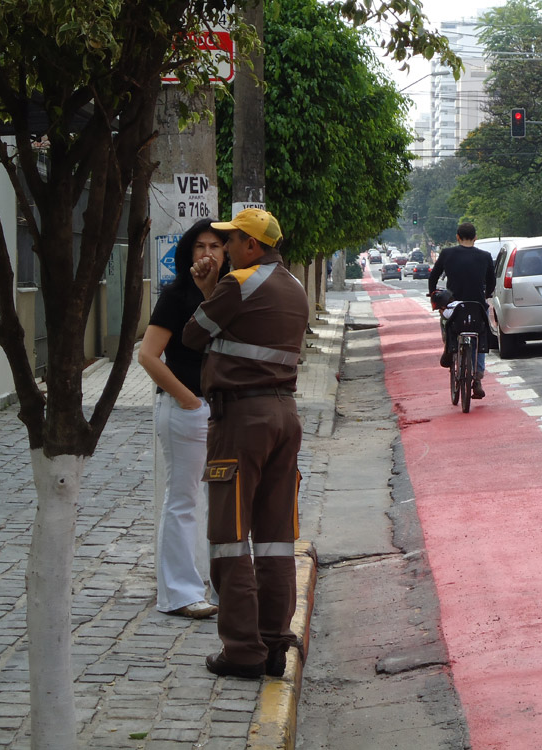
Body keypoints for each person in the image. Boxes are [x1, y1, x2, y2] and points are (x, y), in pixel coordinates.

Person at [182, 208, 309, 679]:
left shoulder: (239, 284)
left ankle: (242, 651)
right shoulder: (294, 288)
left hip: (241, 420)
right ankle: (275, 643)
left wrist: (208, 288)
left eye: (231, 240)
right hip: (285, 416)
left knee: (229, 538)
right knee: (276, 539)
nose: (225, 248)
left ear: (252, 245)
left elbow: (194, 334)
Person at [139, 219, 228, 620]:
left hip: (222, 411)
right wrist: (188, 399)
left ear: (226, 252)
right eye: (199, 247)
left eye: (215, 246)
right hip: (185, 412)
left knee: (220, 501)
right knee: (182, 500)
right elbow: (147, 355)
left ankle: (218, 586)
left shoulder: (230, 293)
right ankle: (178, 594)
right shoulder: (177, 295)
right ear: (188, 253)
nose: (207, 253)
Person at [428, 222, 495, 400]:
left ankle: (449, 348)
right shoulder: (485, 256)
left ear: (457, 237)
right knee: (480, 337)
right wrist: (485, 296)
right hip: (478, 306)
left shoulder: (447, 254)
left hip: (454, 306)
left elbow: (433, 276)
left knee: (446, 321)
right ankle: (478, 378)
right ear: (476, 237)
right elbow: (492, 282)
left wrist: (433, 294)